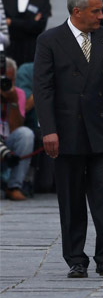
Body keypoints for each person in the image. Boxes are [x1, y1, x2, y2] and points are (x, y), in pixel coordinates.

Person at [33, 0, 103, 278]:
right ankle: (76, 258)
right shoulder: (50, 40)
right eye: (96, 11)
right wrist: (48, 130)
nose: (101, 15)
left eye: (101, 10)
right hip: (67, 134)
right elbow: (43, 89)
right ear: (77, 12)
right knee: (71, 199)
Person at [1, 57, 34, 201]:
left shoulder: (18, 93)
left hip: (8, 141)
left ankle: (14, 186)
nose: (7, 85)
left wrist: (12, 101)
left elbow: (16, 127)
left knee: (26, 134)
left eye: (11, 80)